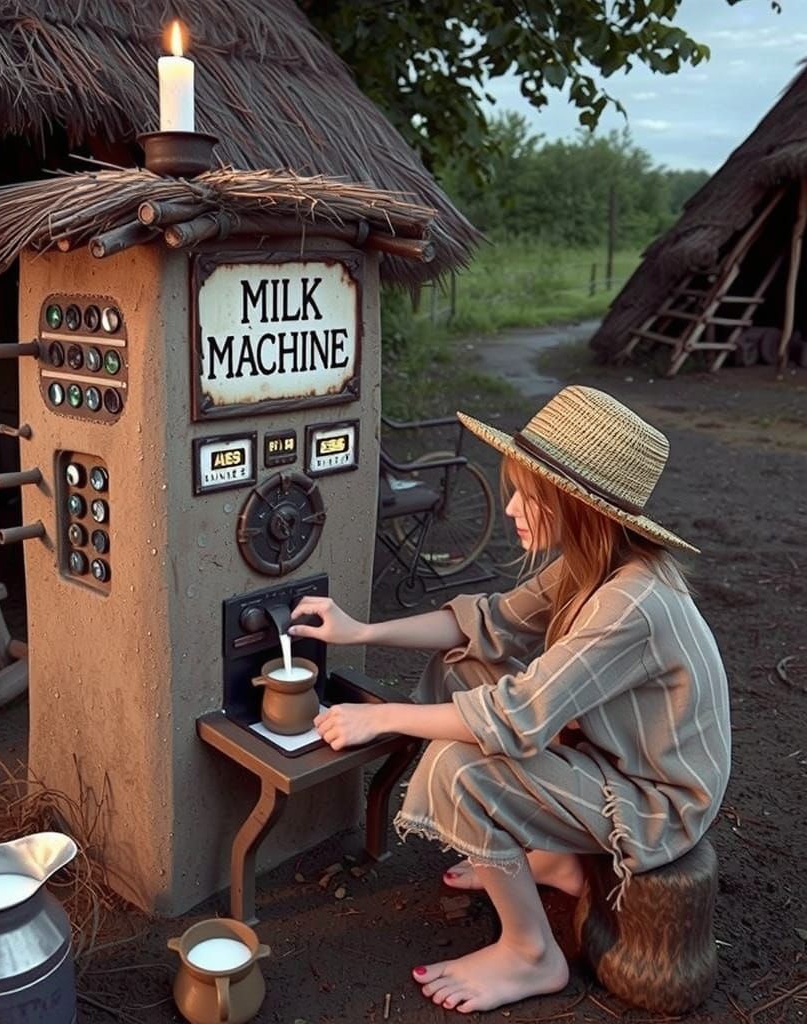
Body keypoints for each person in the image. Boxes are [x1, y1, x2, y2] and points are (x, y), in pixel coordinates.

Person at [290, 385, 730, 1015]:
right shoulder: (592, 561)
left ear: (582, 508)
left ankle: (532, 954)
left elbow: (518, 715)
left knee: (456, 765)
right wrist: (361, 629)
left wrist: (380, 716)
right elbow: (488, 623)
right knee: (463, 663)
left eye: (534, 495)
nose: (513, 508)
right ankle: (554, 861)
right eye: (516, 487)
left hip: (657, 800)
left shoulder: (631, 602)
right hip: (613, 757)